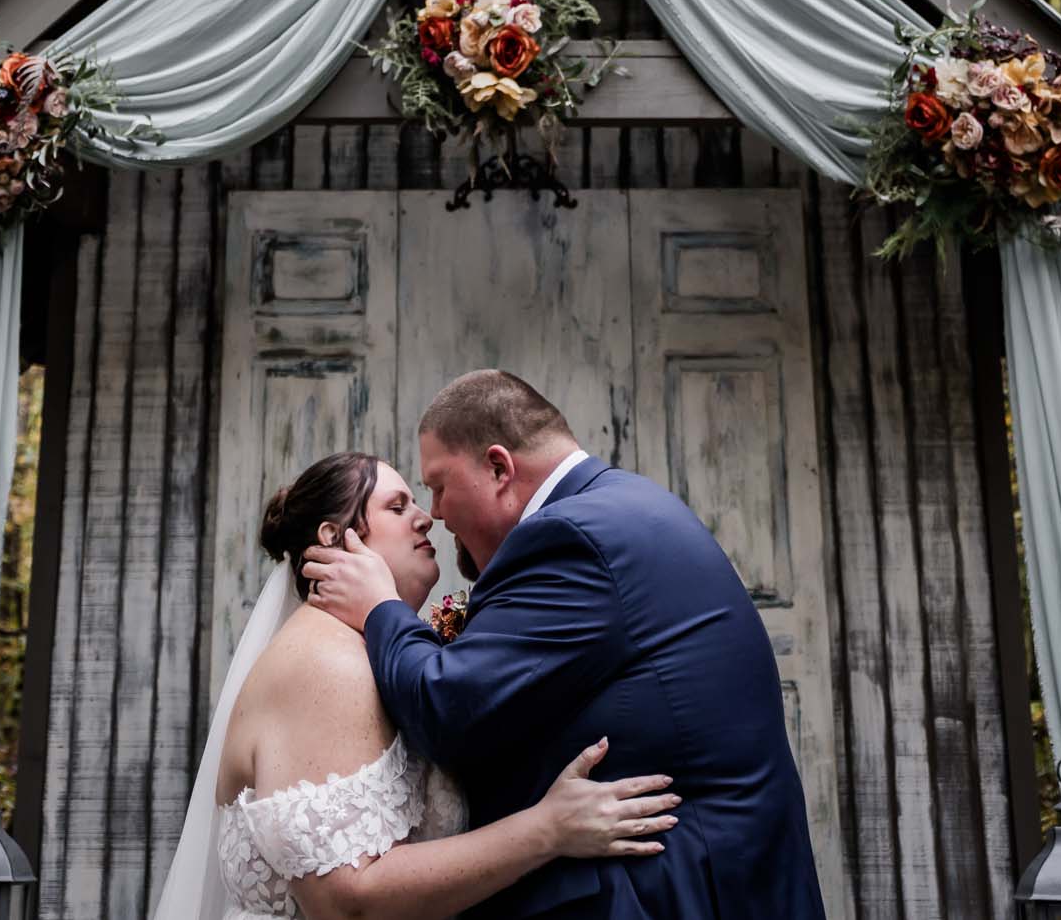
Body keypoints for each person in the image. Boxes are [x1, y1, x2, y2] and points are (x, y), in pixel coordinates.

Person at [304, 372, 826, 920]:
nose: (434, 513)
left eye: (438, 484)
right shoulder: (619, 506)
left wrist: (380, 607)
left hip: (681, 892)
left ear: (499, 468)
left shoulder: (573, 537)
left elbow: (446, 708)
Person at [154, 448, 680, 920]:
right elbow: (346, 901)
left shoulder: (376, 653)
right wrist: (549, 829)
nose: (427, 517)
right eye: (398, 506)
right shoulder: (323, 660)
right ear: (336, 539)